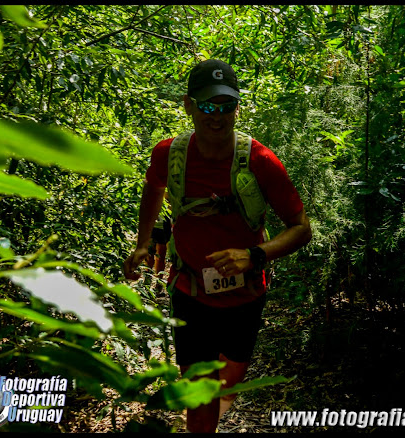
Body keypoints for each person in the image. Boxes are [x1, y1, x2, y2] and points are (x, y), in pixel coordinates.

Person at [123, 59, 311, 433]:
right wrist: (144, 243)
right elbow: (154, 188)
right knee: (201, 392)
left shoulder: (260, 160)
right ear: (188, 105)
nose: (217, 116)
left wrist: (253, 255)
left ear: (237, 108)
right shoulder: (168, 154)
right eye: (208, 106)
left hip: (246, 296)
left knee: (229, 384)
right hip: (189, 289)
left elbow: (301, 228)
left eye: (227, 107)